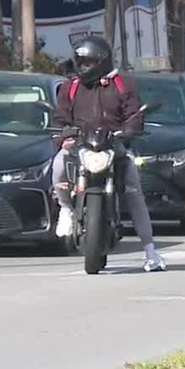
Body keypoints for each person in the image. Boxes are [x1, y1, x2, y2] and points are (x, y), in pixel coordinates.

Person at [52, 36, 166, 272]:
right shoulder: (70, 88)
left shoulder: (123, 84)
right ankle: (65, 209)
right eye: (82, 61)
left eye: (90, 62)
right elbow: (61, 118)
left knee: (134, 187)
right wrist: (64, 137)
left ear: (102, 62)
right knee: (58, 164)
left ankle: (150, 251)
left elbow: (134, 114)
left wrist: (130, 130)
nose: (85, 67)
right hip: (82, 144)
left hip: (113, 144)